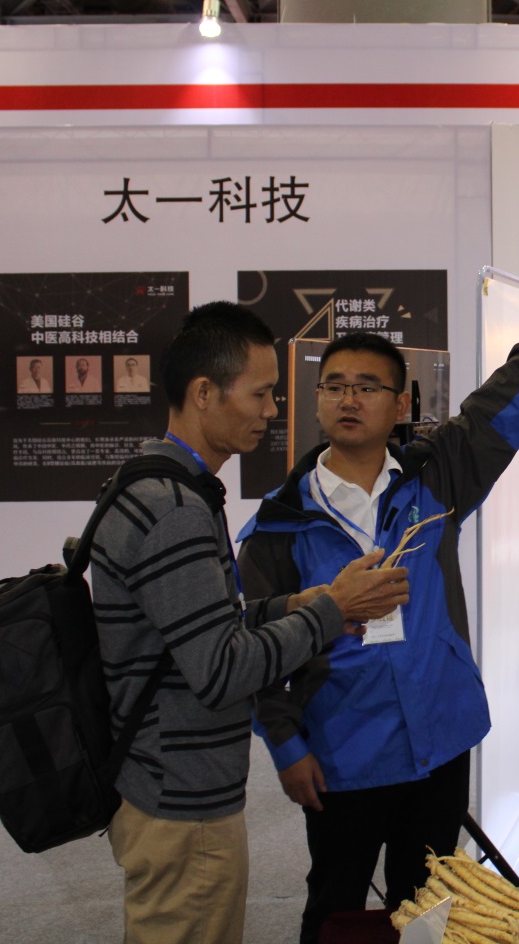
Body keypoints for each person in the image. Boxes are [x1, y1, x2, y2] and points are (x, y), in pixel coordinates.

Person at [237, 240, 519, 943]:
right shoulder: (280, 524)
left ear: (401, 403)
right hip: (341, 753)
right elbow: (254, 645)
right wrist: (284, 745)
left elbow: (502, 404)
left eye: (368, 386)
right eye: (334, 385)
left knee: (430, 906)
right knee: (336, 906)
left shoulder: (437, 477)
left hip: (439, 741)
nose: (349, 399)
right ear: (317, 399)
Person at [91, 301, 410, 944]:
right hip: (182, 804)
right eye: (260, 394)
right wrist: (333, 611)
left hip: (169, 786)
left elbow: (200, 627)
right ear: (204, 393)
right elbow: (221, 671)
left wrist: (296, 606)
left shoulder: (166, 486)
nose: (271, 410)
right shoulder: (175, 509)